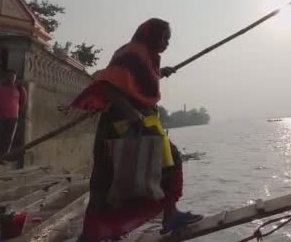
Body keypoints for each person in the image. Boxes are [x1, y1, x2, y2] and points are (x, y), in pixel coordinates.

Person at [71, 18, 202, 241]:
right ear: (150, 36)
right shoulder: (134, 53)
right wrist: (133, 114)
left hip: (133, 124)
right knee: (169, 163)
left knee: (112, 179)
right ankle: (168, 217)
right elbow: (106, 85)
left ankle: (96, 234)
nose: (167, 43)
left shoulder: (144, 56)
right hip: (125, 125)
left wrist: (161, 72)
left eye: (169, 39)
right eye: (163, 38)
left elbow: (132, 81)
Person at [0, 69, 26, 159]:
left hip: (12, 117)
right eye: (9, 76)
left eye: (12, 76)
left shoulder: (20, 89)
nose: (10, 78)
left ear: (15, 78)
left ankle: (4, 157)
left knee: (8, 138)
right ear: (6, 77)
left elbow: (22, 101)